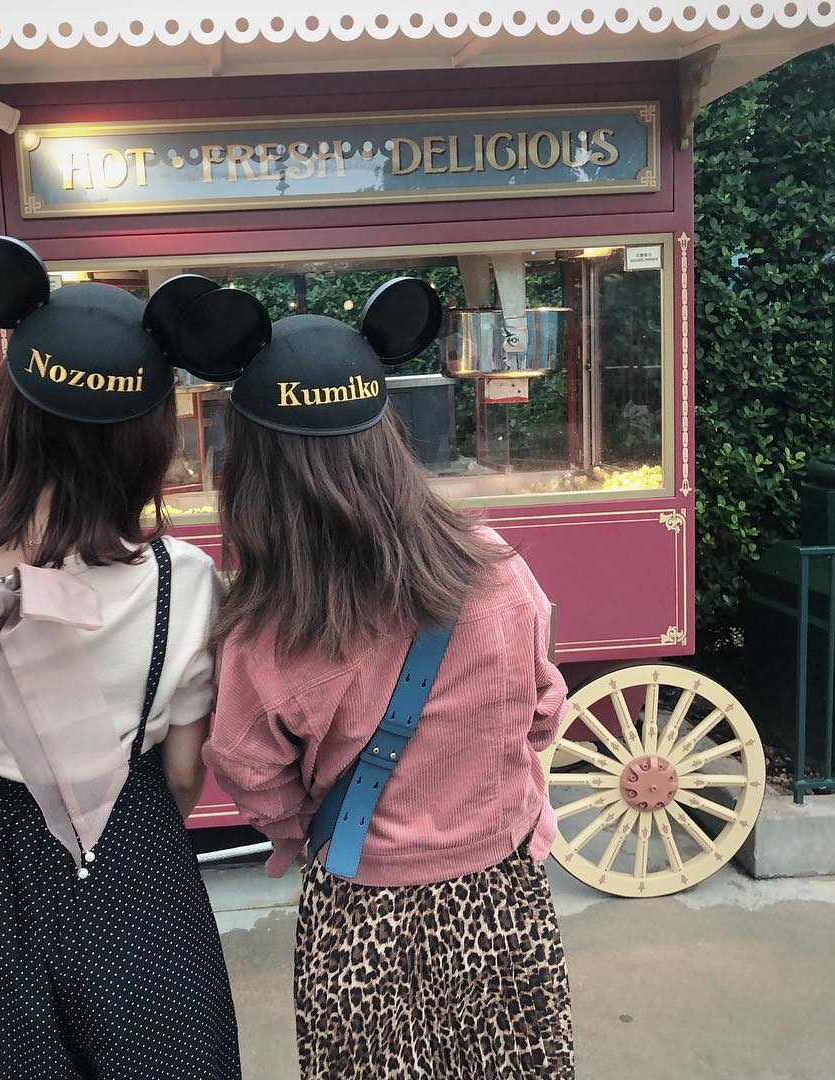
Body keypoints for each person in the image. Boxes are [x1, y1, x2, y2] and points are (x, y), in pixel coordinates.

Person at [0, 236, 242, 1080]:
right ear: (144, 438)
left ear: (8, 412)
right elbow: (183, 772)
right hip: (140, 864)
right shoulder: (182, 577)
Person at [194, 280, 575, 1078]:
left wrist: (307, 825)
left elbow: (248, 769)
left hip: (360, 909)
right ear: (386, 436)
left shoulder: (269, 632)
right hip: (504, 892)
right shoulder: (500, 570)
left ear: (254, 469)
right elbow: (542, 711)